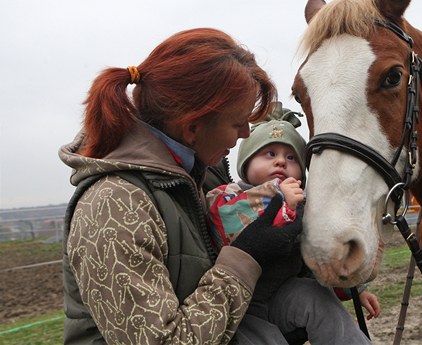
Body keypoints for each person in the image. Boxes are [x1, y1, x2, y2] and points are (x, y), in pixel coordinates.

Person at [59, 28, 304, 345]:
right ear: (192, 126)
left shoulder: (185, 181)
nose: (245, 133)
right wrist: (247, 256)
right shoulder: (115, 204)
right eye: (237, 122)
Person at [206, 103, 381, 344]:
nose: (281, 162)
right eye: (270, 154)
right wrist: (276, 194)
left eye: (291, 157)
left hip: (285, 292)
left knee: (318, 298)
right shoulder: (226, 194)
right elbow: (228, 222)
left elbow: (315, 256)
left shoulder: (304, 204)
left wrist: (355, 289)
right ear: (246, 163)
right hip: (241, 300)